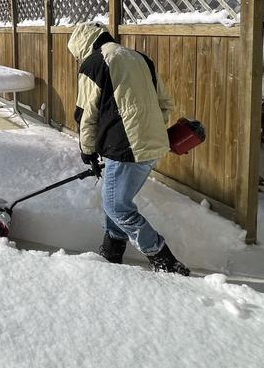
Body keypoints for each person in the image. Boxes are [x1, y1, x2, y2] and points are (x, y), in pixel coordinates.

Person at [68, 22, 189, 275]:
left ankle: (163, 258)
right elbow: (165, 103)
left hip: (125, 147)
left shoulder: (94, 63)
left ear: (83, 45)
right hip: (151, 145)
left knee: (116, 206)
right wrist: (149, 130)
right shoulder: (140, 58)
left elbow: (86, 114)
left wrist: (87, 150)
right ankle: (112, 252)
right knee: (116, 199)